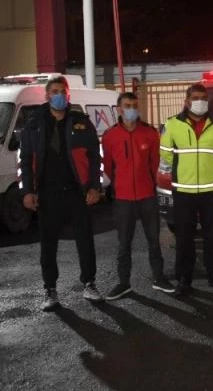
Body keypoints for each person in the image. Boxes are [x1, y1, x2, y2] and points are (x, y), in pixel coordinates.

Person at [19, 76, 104, 311]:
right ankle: (50, 290)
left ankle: (90, 283)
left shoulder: (81, 122)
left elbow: (95, 158)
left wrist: (95, 187)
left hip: (77, 193)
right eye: (54, 91)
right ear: (47, 96)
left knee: (85, 241)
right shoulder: (34, 123)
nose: (59, 95)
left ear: (68, 95)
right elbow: (25, 160)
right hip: (47, 195)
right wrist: (27, 192)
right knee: (48, 245)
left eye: (63, 92)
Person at [159, 83, 213, 295]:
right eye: (196, 97)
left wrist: (209, 166)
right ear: (187, 101)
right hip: (183, 189)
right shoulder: (173, 124)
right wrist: (184, 167)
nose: (200, 101)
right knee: (184, 237)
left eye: (203, 97)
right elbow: (166, 153)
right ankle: (184, 279)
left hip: (210, 189)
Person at [102, 92, 175, 300]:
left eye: (134, 104)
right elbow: (107, 166)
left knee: (153, 240)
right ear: (119, 109)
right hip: (123, 199)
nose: (131, 108)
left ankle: (159, 278)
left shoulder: (150, 134)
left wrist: (154, 187)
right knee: (124, 244)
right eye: (127, 105)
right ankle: (123, 283)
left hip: (147, 196)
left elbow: (155, 163)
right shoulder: (110, 136)